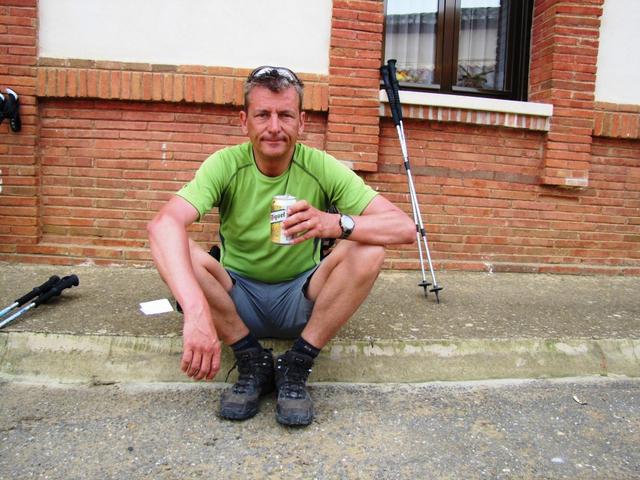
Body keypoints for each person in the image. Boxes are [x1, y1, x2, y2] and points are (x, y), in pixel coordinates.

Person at [147, 65, 415, 426]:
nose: (274, 126)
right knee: (176, 245)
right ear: (244, 121)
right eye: (263, 115)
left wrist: (334, 223)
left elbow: (404, 228)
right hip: (235, 301)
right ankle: (251, 360)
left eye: (285, 115)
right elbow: (162, 226)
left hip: (301, 300)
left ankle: (296, 364)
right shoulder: (225, 164)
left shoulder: (320, 166)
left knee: (369, 246)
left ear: (301, 122)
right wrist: (195, 311)